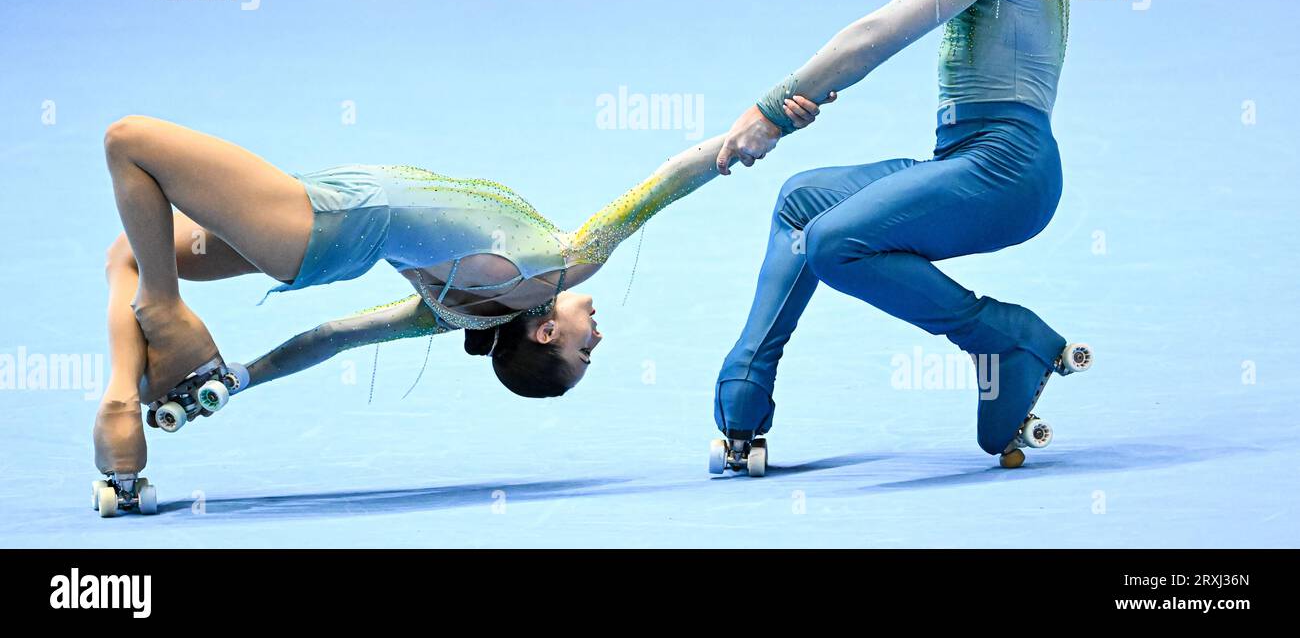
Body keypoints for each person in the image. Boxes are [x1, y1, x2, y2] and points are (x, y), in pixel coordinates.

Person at [710, 0, 1104, 472]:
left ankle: (1004, 336)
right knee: (804, 204)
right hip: (961, 160)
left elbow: (885, 29)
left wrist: (772, 110)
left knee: (834, 242)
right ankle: (743, 406)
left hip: (1008, 171)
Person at [92, 96, 826, 513]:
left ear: (544, 330)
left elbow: (665, 182)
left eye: (584, 347)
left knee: (129, 142)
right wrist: (242, 378)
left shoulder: (563, 263)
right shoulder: (458, 315)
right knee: (129, 250)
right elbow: (333, 338)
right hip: (324, 220)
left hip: (319, 220)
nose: (597, 332)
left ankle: (162, 309)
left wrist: (760, 123)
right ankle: (124, 405)